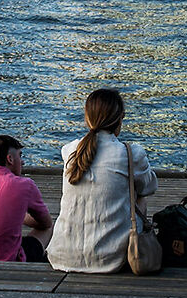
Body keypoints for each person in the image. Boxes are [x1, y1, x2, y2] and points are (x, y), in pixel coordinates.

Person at [46, 88, 155, 274]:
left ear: (87, 117)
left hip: (62, 255)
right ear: (121, 117)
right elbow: (150, 187)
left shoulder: (70, 150)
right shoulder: (130, 154)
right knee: (140, 196)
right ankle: (135, 247)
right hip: (111, 258)